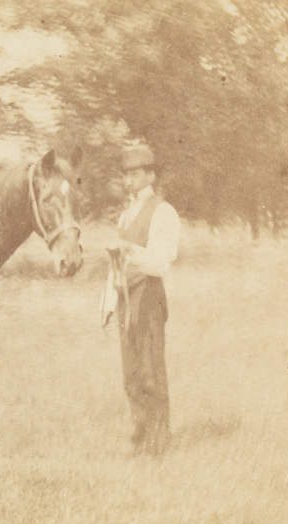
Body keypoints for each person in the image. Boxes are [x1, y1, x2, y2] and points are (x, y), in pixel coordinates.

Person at [101, 142, 180, 456]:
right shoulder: (125, 215)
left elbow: (162, 262)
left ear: (150, 174)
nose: (128, 180)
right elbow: (115, 266)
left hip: (149, 298)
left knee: (150, 370)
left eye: (135, 173)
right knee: (130, 372)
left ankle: (158, 441)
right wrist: (108, 303)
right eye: (125, 174)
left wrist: (132, 251)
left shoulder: (163, 211)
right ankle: (140, 435)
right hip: (126, 298)